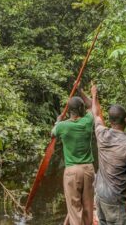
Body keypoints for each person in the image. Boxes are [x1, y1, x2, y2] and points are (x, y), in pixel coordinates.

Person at [80, 84, 126, 225]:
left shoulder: (101, 133)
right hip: (115, 200)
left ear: (110, 121)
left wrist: (94, 95)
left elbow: (95, 113)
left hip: (100, 195)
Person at [52, 95, 95, 225]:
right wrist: (81, 91)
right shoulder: (88, 121)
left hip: (72, 171)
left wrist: (58, 121)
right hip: (88, 170)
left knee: (74, 209)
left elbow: (52, 133)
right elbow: (91, 105)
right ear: (81, 108)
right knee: (88, 207)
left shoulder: (62, 126)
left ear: (69, 111)